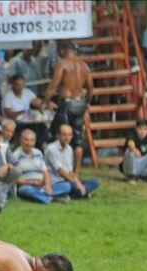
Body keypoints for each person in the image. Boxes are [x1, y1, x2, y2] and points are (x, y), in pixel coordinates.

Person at [45, 42, 94, 173]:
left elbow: (54, 83)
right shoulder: (84, 65)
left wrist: (46, 100)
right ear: (75, 52)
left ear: (62, 52)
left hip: (67, 103)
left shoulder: (62, 64)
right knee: (77, 138)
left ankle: (60, 167)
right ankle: (76, 170)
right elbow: (90, 88)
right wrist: (87, 102)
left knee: (59, 134)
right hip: (80, 102)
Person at [14, 129, 71, 205]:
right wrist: (32, 183)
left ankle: (43, 195)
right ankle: (52, 198)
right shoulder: (15, 155)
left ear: (34, 142)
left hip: (42, 185)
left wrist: (47, 185)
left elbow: (45, 172)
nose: (29, 143)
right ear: (21, 141)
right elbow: (15, 179)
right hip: (27, 185)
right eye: (26, 140)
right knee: (26, 191)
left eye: (32, 140)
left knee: (66, 186)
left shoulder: (38, 153)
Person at [45, 124, 100, 199]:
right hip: (56, 182)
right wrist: (77, 184)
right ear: (58, 136)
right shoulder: (51, 149)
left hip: (68, 180)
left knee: (95, 182)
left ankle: (72, 195)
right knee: (68, 186)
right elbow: (60, 171)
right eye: (64, 135)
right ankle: (80, 193)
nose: (67, 137)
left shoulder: (69, 149)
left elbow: (70, 171)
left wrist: (78, 182)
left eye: (69, 135)